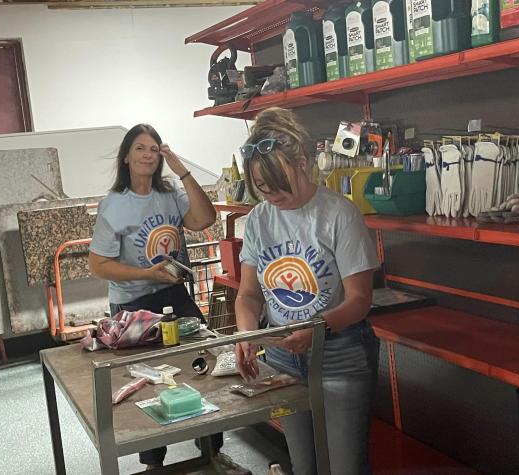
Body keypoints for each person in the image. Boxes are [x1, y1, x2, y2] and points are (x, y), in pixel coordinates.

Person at [234, 108, 380, 475]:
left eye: (276, 182)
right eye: (259, 185)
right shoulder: (258, 219)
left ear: (301, 162)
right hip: (283, 359)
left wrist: (318, 329)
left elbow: (360, 299)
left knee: (345, 466)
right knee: (305, 466)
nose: (269, 193)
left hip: (339, 355)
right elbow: (248, 294)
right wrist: (246, 334)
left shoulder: (338, 215)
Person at [88, 123, 220, 470]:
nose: (148, 155)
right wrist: (146, 273)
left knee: (200, 365)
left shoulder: (171, 193)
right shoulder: (114, 205)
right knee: (145, 381)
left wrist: (183, 170)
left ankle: (212, 451)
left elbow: (205, 217)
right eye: (140, 148)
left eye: (154, 148)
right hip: (133, 303)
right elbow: (99, 264)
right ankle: (153, 464)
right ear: (127, 157)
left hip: (174, 294)